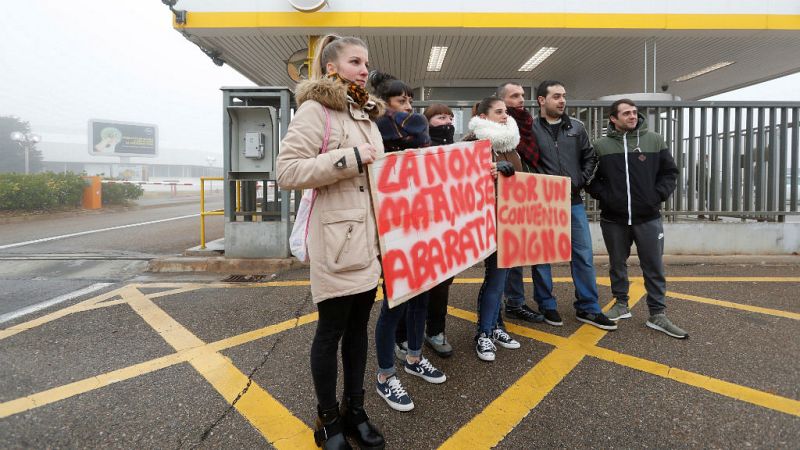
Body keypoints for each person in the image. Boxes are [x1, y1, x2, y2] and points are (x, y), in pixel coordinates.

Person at [276, 34, 385, 450]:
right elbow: (287, 172)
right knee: (331, 331)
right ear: (332, 68)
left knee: (359, 330)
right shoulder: (315, 110)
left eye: (366, 62)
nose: (364, 69)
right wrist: (350, 159)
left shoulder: (366, 115)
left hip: (370, 240)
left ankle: (354, 410)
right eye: (356, 61)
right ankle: (327, 419)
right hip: (337, 241)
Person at [370, 71, 446, 413]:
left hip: (422, 224)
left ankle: (415, 357)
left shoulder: (420, 132)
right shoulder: (374, 132)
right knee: (395, 303)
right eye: (402, 100)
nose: (410, 106)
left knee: (421, 298)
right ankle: (386, 375)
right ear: (384, 104)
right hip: (392, 228)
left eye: (411, 100)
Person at [587, 99, 688, 339]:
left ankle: (657, 314)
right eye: (626, 113)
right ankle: (621, 305)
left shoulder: (653, 140)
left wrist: (656, 196)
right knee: (617, 264)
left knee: (653, 266)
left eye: (634, 112)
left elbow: (669, 173)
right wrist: (607, 197)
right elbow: (590, 178)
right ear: (613, 118)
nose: (632, 116)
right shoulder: (601, 145)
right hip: (614, 218)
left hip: (648, 217)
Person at [525, 80, 617, 331]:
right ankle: (547, 304)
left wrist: (579, 180)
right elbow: (524, 162)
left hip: (573, 201)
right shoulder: (530, 129)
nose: (562, 101)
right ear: (542, 100)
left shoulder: (576, 127)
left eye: (564, 96)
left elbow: (589, 156)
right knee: (542, 257)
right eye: (556, 96)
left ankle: (588, 307)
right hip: (542, 203)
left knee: (583, 256)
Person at [463, 96, 523, 362]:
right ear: (484, 117)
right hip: (486, 221)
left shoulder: (511, 145)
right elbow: (461, 179)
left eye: (506, 112)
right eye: (498, 112)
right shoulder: (473, 144)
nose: (504, 116)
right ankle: (484, 333)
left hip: (509, 221)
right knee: (496, 277)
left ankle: (496, 328)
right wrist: (491, 169)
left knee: (501, 276)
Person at [495, 82, 546, 324]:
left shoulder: (526, 126)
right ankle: (494, 314)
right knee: (497, 263)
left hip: (520, 200)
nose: (521, 99)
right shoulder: (491, 130)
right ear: (502, 102)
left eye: (523, 95)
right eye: (514, 96)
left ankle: (514, 303)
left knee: (516, 254)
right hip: (495, 204)